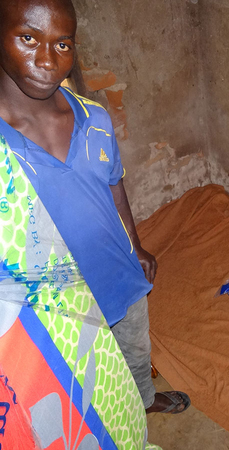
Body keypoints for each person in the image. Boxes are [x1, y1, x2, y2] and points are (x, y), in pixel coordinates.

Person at [0, 0, 189, 414]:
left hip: (117, 276)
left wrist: (135, 246)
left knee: (135, 351)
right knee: (76, 386)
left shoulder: (95, 119)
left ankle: (142, 401)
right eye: (28, 38)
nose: (48, 59)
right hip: (54, 307)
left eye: (63, 44)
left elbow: (113, 185)